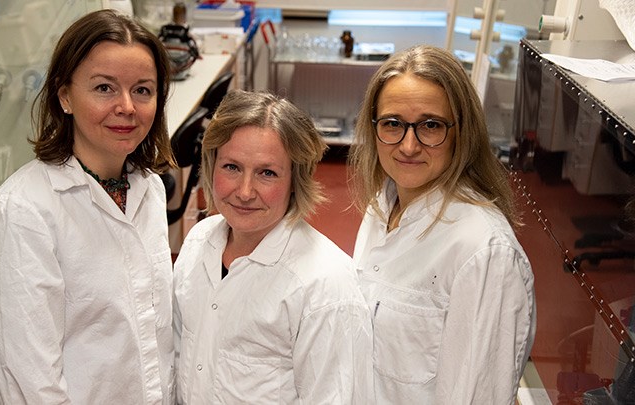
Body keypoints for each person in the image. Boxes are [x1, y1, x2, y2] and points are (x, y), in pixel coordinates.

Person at [0, 9, 177, 404]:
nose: (127, 107)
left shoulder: (146, 187)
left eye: (143, 90)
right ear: (65, 95)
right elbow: (30, 384)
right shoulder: (25, 213)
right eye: (104, 88)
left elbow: (153, 334)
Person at [348, 44, 536, 404]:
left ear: (461, 132)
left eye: (430, 126)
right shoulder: (382, 204)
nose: (408, 146)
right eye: (392, 124)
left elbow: (477, 396)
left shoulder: (484, 254)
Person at [173, 89, 373, 404]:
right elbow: (179, 353)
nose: (245, 191)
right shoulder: (200, 241)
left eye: (267, 173)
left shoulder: (325, 287)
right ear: (211, 165)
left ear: (296, 180)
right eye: (231, 167)